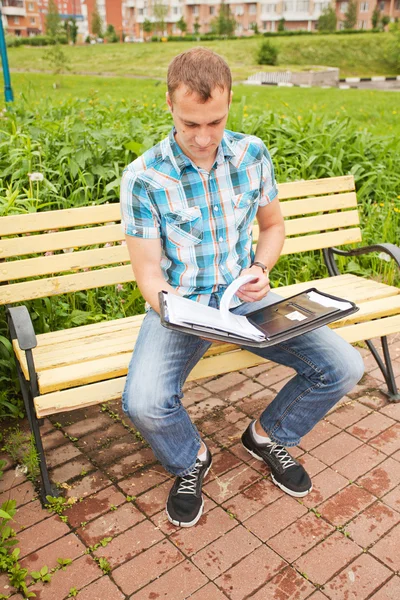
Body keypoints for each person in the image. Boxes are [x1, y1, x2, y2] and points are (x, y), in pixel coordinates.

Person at [120, 47, 364, 528]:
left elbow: (272, 226)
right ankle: (190, 459)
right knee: (144, 402)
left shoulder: (252, 154)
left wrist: (260, 267)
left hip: (245, 301)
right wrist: (176, 309)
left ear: (230, 103)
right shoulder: (144, 178)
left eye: (216, 121)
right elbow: (149, 274)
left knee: (343, 366)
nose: (205, 137)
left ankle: (267, 435)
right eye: (191, 123)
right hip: (182, 307)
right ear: (169, 104)